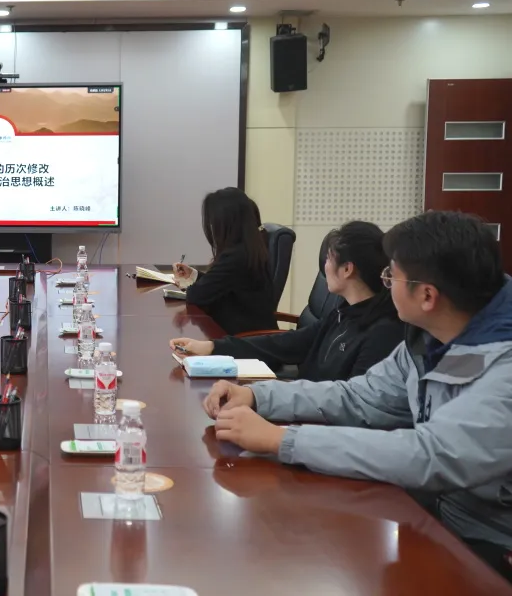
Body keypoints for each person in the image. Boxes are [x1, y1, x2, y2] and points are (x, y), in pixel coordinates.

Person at [204, 211, 512, 581]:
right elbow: (360, 397)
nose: (385, 285)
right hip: (428, 517)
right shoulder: (426, 339)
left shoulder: (504, 370)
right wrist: (259, 397)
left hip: (489, 546)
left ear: (427, 295)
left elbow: (430, 455)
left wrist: (282, 440)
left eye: (391, 276)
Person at [170, 221, 403, 381]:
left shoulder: (382, 333)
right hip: (300, 409)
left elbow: (350, 406)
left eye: (329, 259)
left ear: (347, 269)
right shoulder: (343, 314)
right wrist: (213, 347)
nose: (325, 267)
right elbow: (289, 342)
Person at [172, 187, 277, 335]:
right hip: (244, 331)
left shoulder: (236, 256)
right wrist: (193, 274)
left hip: (245, 338)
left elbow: (196, 295)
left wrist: (189, 285)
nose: (213, 228)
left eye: (214, 223)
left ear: (226, 222)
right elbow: (220, 283)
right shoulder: (248, 248)